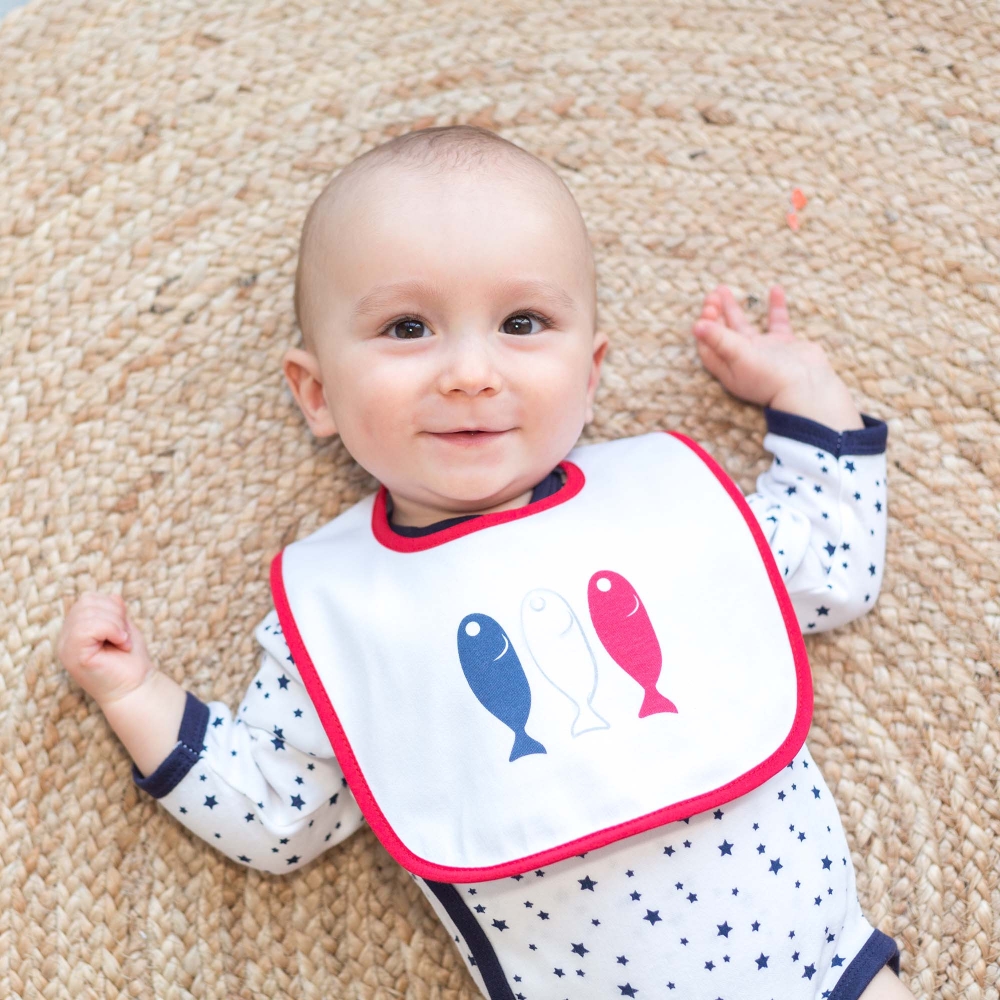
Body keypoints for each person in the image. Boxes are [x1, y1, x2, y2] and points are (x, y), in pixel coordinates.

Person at [56, 124, 914, 999]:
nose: (470, 370)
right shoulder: (348, 608)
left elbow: (834, 563)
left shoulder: (664, 508)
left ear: (589, 371)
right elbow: (279, 810)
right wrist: (139, 697)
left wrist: (805, 390)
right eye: (407, 326)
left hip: (825, 972)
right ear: (316, 393)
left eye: (522, 322)